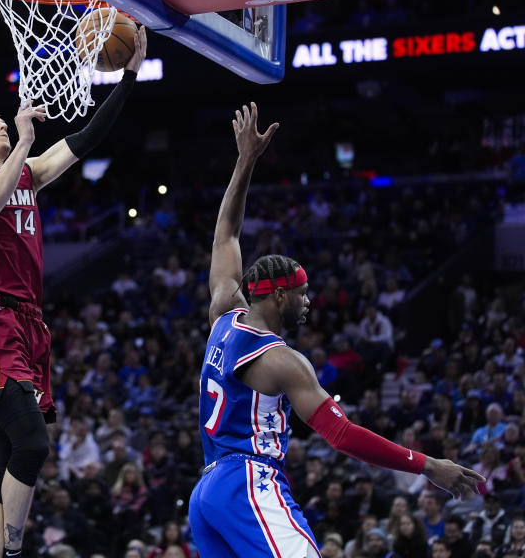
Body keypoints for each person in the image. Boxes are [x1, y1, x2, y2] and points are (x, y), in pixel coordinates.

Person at [187, 102, 484, 557]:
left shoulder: (224, 313)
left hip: (207, 491)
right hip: (247, 482)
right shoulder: (281, 360)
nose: (309, 302)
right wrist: (427, 465)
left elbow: (225, 234)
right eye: (302, 293)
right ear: (279, 296)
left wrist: (245, 161)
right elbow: (342, 435)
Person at [0, 28, 146, 558]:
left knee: (0, 455)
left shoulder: (25, 174)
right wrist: (26, 141)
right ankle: (10, 550)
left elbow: (86, 141)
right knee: (32, 443)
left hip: (29, 321)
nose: (1, 124)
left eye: (3, 121)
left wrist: (128, 78)